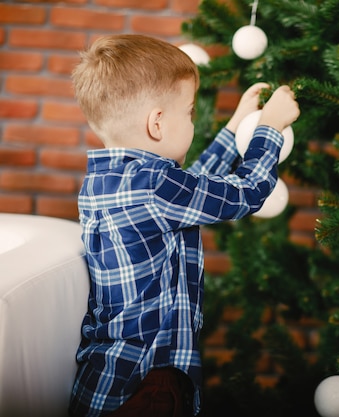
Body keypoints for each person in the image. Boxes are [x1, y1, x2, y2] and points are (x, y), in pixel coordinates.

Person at [68, 34, 299, 416]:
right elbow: (248, 193)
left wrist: (235, 127)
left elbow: (191, 189)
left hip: (115, 375)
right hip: (146, 384)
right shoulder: (154, 187)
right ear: (157, 123)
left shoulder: (114, 181)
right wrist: (270, 128)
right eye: (189, 112)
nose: (192, 121)